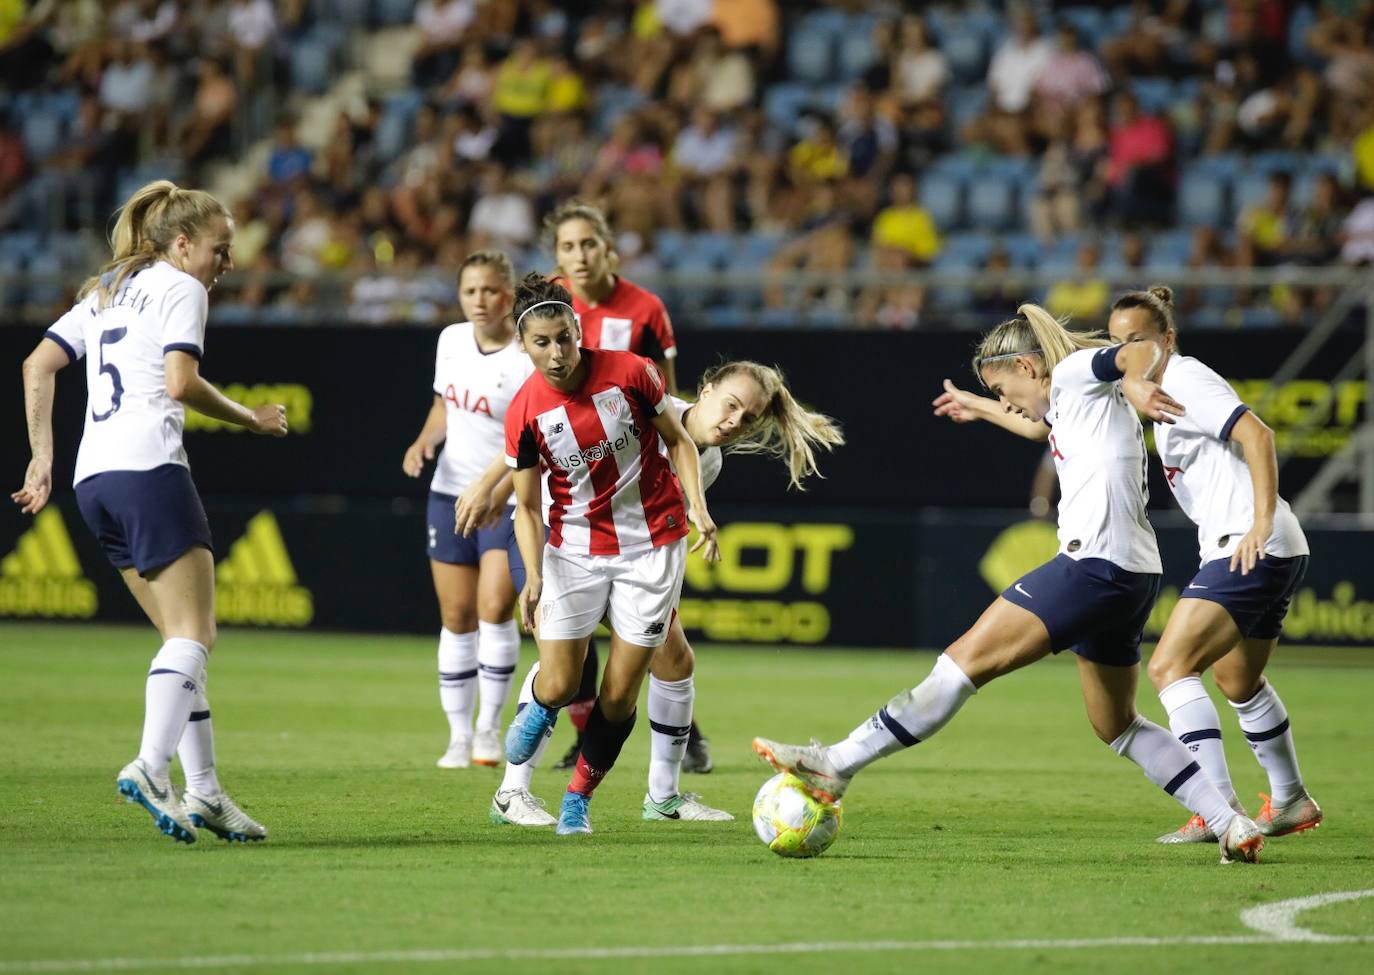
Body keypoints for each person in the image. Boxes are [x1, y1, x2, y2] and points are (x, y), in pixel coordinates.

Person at [753, 304, 1268, 864]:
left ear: (1028, 365)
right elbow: (1034, 423)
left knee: (959, 665)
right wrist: (980, 406)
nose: (1007, 401)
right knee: (1115, 725)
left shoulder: (1075, 372)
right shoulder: (1075, 398)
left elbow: (1142, 351)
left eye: (1004, 388)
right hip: (1134, 575)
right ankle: (1230, 822)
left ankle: (837, 763)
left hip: (1091, 567)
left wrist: (1141, 383)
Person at [11, 180, 287, 844]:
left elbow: (36, 364)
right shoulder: (179, 287)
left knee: (180, 645)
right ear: (183, 243)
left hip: (93, 480)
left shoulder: (102, 289)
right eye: (221, 250)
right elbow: (179, 383)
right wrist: (250, 417)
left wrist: (41, 455)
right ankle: (150, 765)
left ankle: (207, 792)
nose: (228, 264)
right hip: (149, 469)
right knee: (197, 635)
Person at [489, 360, 845, 825]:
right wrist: (486, 486)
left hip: (632, 558)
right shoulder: (644, 410)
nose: (735, 422)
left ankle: (661, 796)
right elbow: (545, 430)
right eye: (731, 405)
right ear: (707, 387)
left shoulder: (708, 460)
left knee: (672, 664)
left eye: (749, 418)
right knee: (563, 678)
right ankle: (512, 790)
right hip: (563, 545)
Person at [496, 275, 715, 836]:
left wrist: (698, 507)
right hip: (573, 549)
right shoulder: (524, 412)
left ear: (578, 329)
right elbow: (525, 506)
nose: (556, 352)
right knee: (561, 682)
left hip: (652, 547)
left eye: (564, 337)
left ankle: (577, 801)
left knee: (618, 696)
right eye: (541, 342)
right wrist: (534, 576)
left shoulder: (631, 370)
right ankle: (539, 713)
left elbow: (679, 440)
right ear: (523, 344)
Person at [1106, 286, 1321, 845]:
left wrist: (1259, 520)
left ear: (1168, 339)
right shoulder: (1152, 390)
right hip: (1273, 546)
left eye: (1138, 339)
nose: (1127, 351)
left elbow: (1258, 434)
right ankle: (1291, 798)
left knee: (1169, 668)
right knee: (1237, 679)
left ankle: (1216, 807)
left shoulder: (1185, 378)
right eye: (1117, 342)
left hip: (1251, 542)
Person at [543, 199, 718, 772]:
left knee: (652, 620)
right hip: (567, 476)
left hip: (634, 483)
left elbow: (665, 398)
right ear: (557, 256)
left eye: (587, 244)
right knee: (573, 621)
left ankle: (681, 732)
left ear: (607, 245)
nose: (579, 256)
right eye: (567, 247)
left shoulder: (645, 308)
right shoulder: (550, 305)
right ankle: (584, 730)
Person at [402, 251, 530, 770]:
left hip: (506, 498)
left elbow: (531, 436)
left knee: (494, 608)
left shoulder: (525, 357)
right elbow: (443, 406)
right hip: (449, 493)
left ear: (510, 295)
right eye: (470, 290)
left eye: (491, 290)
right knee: (456, 617)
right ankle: (457, 736)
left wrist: (500, 489)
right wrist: (422, 442)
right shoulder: (450, 340)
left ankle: (487, 731)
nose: (480, 300)